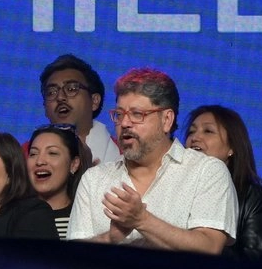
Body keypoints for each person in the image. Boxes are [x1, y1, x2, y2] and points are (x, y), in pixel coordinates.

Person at [67, 68, 237, 252]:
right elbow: (72, 259)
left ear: (166, 120)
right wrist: (109, 238)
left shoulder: (206, 172)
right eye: (119, 114)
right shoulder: (94, 179)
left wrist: (142, 220)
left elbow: (209, 247)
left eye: (137, 114)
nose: (124, 123)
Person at [185, 104, 262, 260]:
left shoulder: (254, 197)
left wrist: (207, 242)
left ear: (231, 147)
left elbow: (252, 259)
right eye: (191, 131)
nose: (195, 138)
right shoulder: (174, 184)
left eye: (208, 131)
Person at [39, 53, 120, 165]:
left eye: (71, 89)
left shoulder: (124, 155)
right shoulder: (25, 157)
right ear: (45, 108)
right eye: (51, 92)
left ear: (94, 101)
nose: (60, 97)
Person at [27, 123, 86, 239]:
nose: (39, 161)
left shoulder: (84, 217)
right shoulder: (13, 216)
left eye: (52, 153)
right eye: (33, 154)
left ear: (74, 164)